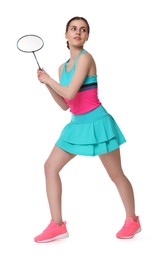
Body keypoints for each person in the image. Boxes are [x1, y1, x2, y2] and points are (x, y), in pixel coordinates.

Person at [34, 16, 141, 243]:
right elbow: (65, 104)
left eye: (83, 30)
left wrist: (49, 79)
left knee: (116, 175)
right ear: (65, 34)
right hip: (76, 124)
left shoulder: (86, 58)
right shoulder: (63, 67)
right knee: (50, 167)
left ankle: (132, 220)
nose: (78, 33)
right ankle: (57, 224)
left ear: (87, 36)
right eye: (73, 29)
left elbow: (71, 92)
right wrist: (47, 84)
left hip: (98, 123)